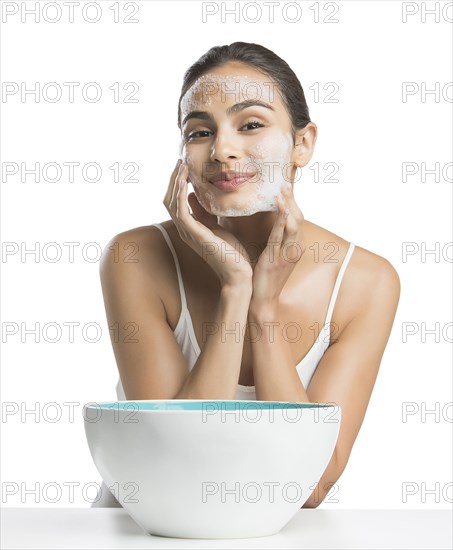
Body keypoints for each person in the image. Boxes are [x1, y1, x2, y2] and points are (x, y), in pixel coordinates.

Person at [94, 42, 400, 509]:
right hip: (144, 533)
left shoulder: (365, 282)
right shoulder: (135, 257)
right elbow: (175, 460)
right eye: (199, 132)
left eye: (251, 124)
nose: (222, 150)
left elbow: (310, 487)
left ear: (303, 144)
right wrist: (236, 288)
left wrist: (264, 309)